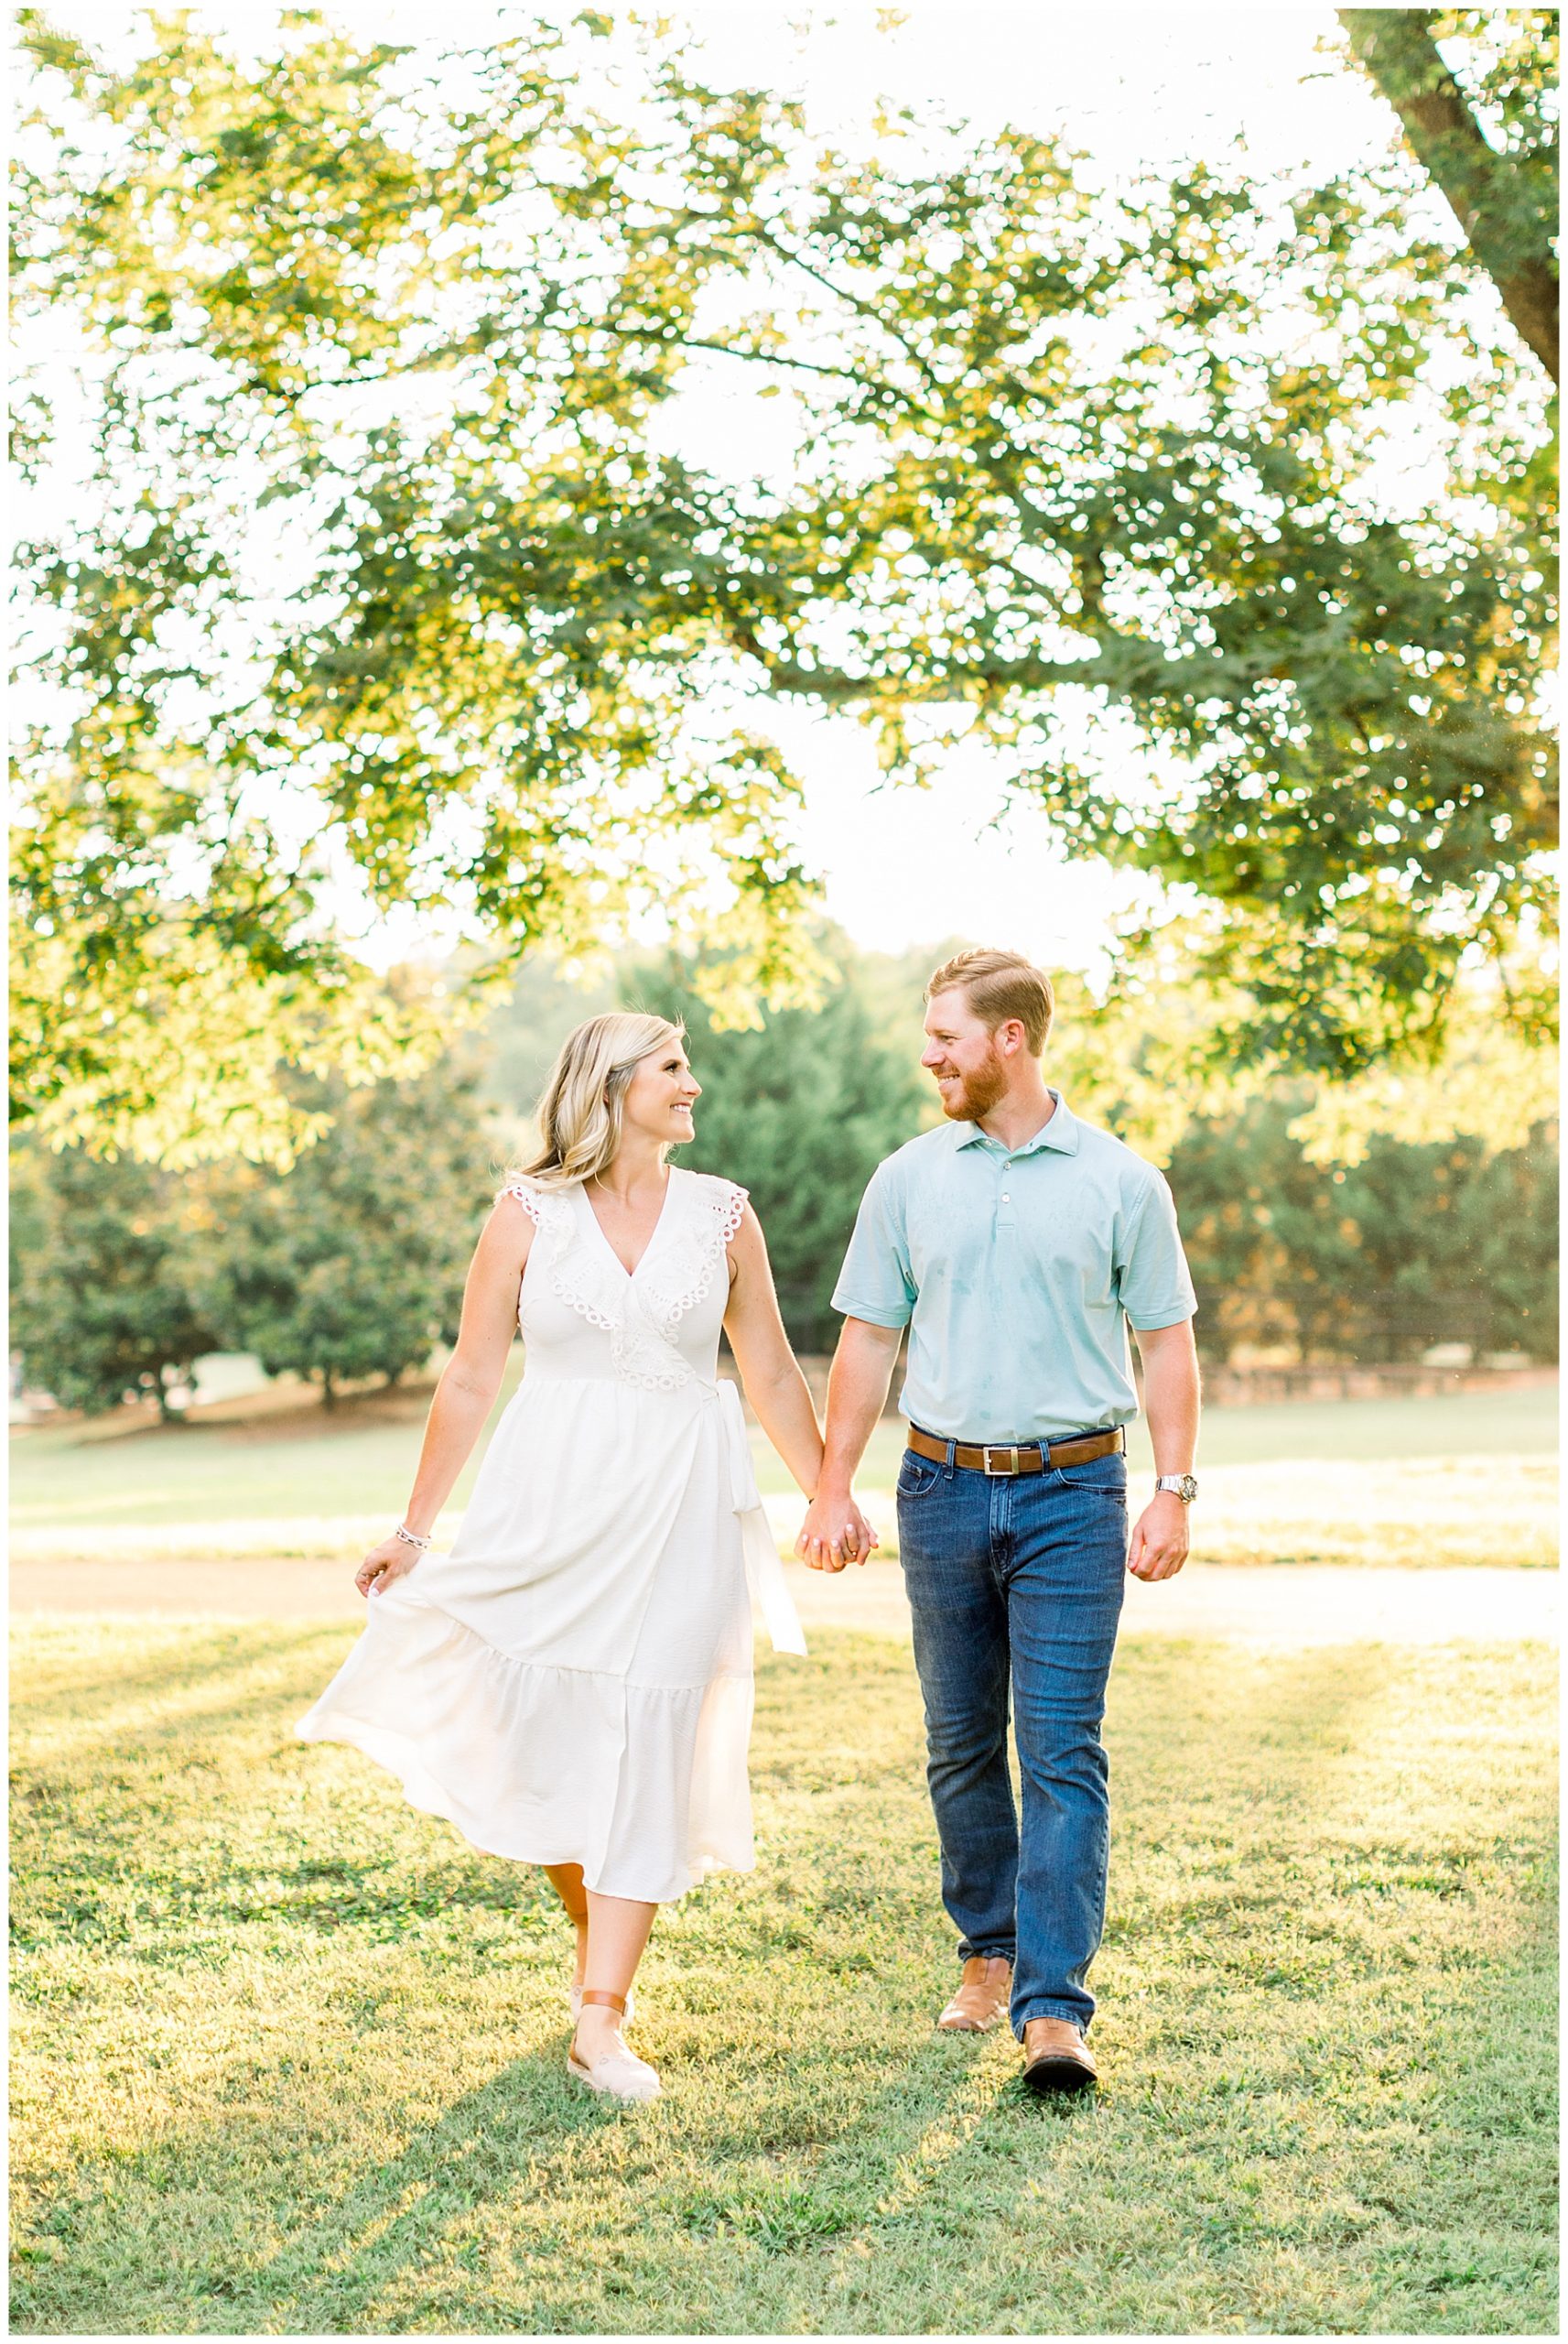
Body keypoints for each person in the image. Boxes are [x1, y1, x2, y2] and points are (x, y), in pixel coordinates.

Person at [298, 1013, 876, 2104]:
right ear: (610, 1087)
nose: (692, 1085)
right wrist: (416, 1529)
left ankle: (599, 2022)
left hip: (682, 1505)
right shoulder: (526, 1213)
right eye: (672, 1069)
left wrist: (826, 1491)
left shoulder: (724, 1216)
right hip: (547, 1505)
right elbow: (472, 1375)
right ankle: (595, 1926)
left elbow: (767, 1367)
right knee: (549, 1737)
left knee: (654, 1733)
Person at [796, 948, 1200, 2095]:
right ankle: (988, 1949)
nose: (930, 1055)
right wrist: (834, 1485)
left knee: (1062, 1748)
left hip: (1078, 1492)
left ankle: (1055, 2009)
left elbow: (1165, 1339)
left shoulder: (1123, 1181)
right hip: (941, 1488)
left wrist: (1174, 1487)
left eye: (946, 1037)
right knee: (961, 1740)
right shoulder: (908, 1179)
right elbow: (868, 1340)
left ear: (1010, 1038)